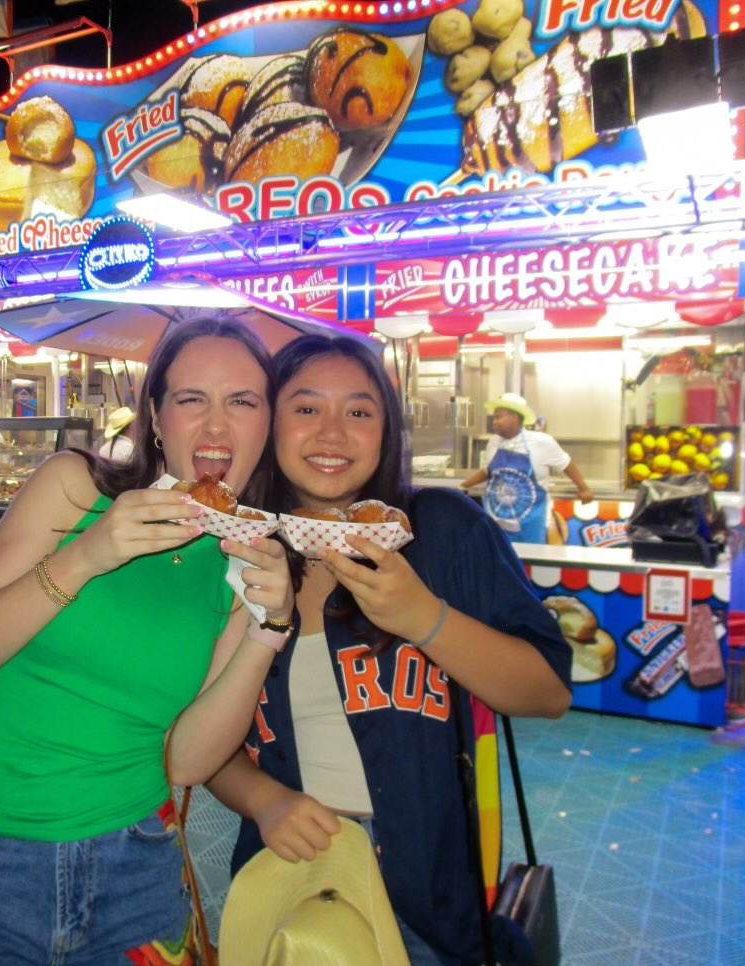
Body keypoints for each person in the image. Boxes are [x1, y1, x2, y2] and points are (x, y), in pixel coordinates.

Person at [0, 317, 297, 966]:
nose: (217, 426)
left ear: (267, 425)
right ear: (157, 418)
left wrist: (268, 627)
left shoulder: (244, 561)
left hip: (139, 859)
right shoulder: (74, 488)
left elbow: (189, 761)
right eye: (192, 399)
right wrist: (87, 555)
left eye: (243, 402)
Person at [207, 335, 572, 966]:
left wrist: (422, 617)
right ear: (271, 422)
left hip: (430, 896)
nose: (332, 434)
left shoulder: (442, 528)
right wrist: (263, 800)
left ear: (386, 430)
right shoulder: (238, 551)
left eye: (358, 411)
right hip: (292, 884)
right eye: (305, 408)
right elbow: (197, 738)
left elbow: (547, 692)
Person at [459, 392, 594, 544]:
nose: (494, 422)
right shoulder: (494, 443)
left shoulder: (542, 442)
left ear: (515, 418)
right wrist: (463, 486)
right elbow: (488, 471)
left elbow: (566, 464)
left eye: (499, 417)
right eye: (494, 417)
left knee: (528, 564)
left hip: (530, 523)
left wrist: (583, 488)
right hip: (496, 521)